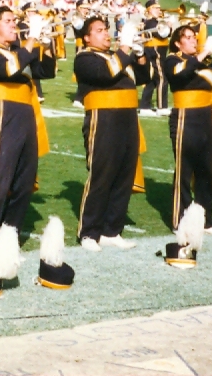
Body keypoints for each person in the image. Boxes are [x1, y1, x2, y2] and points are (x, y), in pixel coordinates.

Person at [0, 6, 55, 268]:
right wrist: (31, 41)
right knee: (1, 182)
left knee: (23, 184)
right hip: (6, 113)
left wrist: (47, 43)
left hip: (27, 115)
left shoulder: (18, 52)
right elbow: (9, 69)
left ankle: (7, 240)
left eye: (14, 21)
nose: (14, 25)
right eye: (8, 21)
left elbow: (46, 71)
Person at [73, 17, 150, 251]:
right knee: (102, 174)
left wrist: (139, 53)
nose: (106, 34)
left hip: (128, 119)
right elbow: (106, 75)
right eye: (99, 31)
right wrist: (124, 47)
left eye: (106, 30)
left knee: (124, 175)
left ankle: (111, 230)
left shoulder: (117, 57)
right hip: (102, 119)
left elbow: (145, 77)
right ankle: (89, 232)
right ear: (87, 37)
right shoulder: (84, 58)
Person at [164, 23, 212, 237]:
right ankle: (179, 220)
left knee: (206, 172)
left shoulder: (203, 62)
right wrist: (203, 54)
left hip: (206, 119)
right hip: (185, 118)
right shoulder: (173, 60)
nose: (194, 40)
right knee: (184, 171)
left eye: (194, 37)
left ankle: (205, 220)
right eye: (189, 37)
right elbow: (180, 76)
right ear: (177, 43)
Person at [139, 0, 170, 117]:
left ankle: (144, 106)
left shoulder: (154, 22)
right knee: (162, 78)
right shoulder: (152, 22)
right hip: (155, 50)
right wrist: (169, 26)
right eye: (156, 8)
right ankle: (162, 106)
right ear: (150, 10)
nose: (159, 10)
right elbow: (162, 34)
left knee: (151, 80)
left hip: (158, 50)